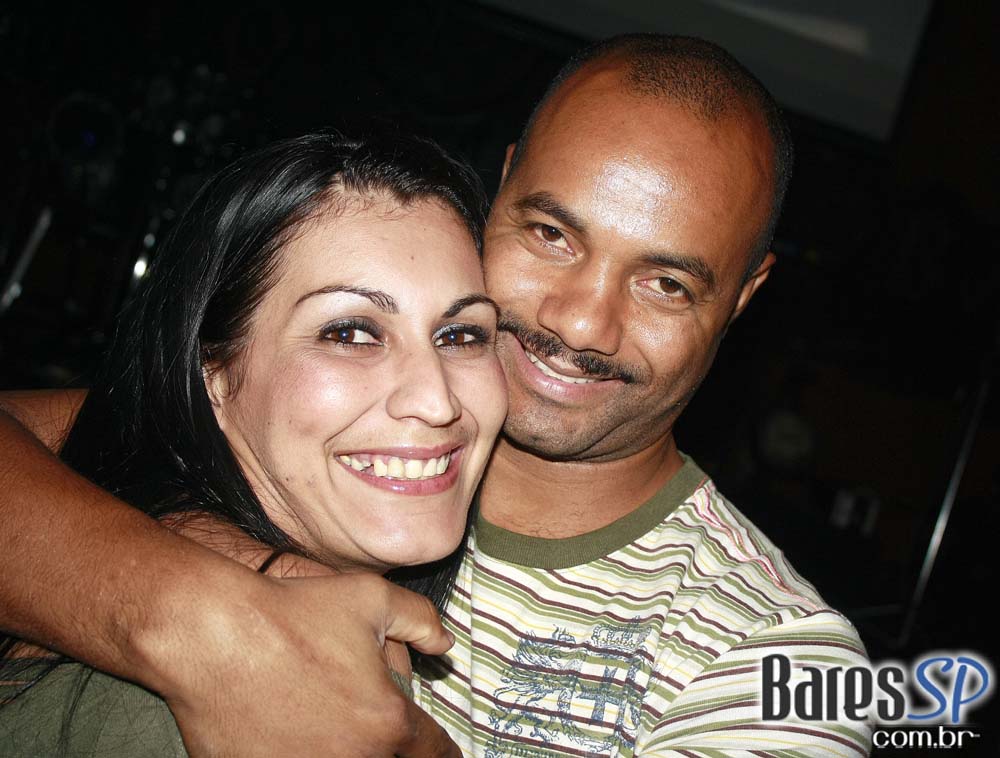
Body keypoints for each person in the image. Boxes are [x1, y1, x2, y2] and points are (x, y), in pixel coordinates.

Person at [0, 34, 873, 756]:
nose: (580, 322)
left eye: (666, 285)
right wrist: (215, 613)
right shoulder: (306, 437)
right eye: (552, 233)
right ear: (502, 186)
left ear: (745, 296)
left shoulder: (772, 661)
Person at [0, 131, 507, 756]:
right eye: (349, 333)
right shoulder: (226, 710)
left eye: (460, 335)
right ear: (213, 375)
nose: (436, 401)